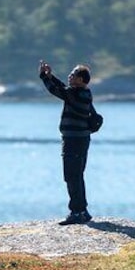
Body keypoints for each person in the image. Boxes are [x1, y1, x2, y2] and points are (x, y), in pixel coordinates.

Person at [39, 60, 95, 225]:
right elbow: (64, 89)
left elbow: (56, 90)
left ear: (81, 80)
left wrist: (44, 77)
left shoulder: (76, 94)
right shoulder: (82, 93)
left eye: (73, 74)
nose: (70, 76)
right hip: (81, 140)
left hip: (73, 141)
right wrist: (51, 76)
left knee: (71, 176)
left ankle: (76, 212)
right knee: (77, 176)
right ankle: (82, 211)